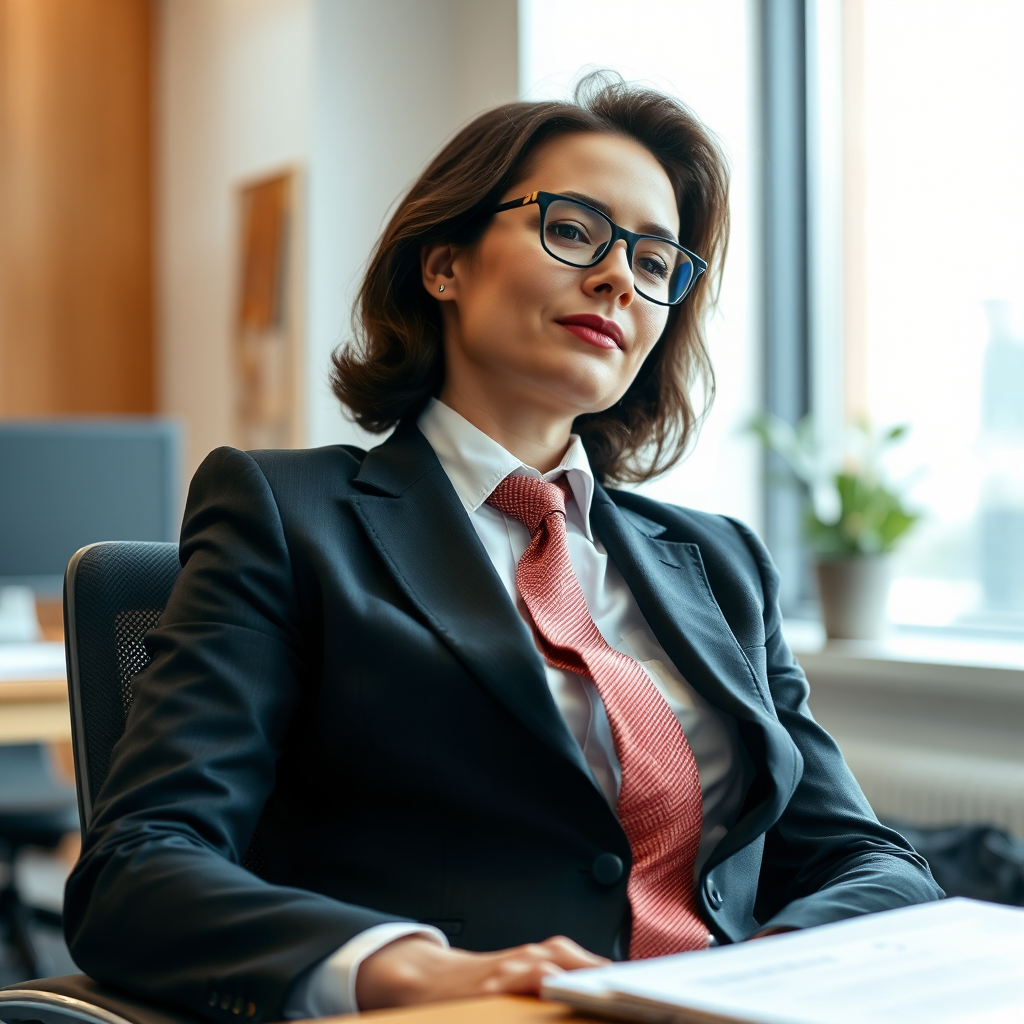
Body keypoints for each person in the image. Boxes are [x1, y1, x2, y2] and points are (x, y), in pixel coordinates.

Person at [63, 75, 941, 1021]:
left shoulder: (723, 563)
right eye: (575, 230)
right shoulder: (286, 512)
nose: (618, 278)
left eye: (656, 262)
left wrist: (761, 975)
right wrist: (409, 969)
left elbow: (867, 858)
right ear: (445, 263)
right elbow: (140, 866)